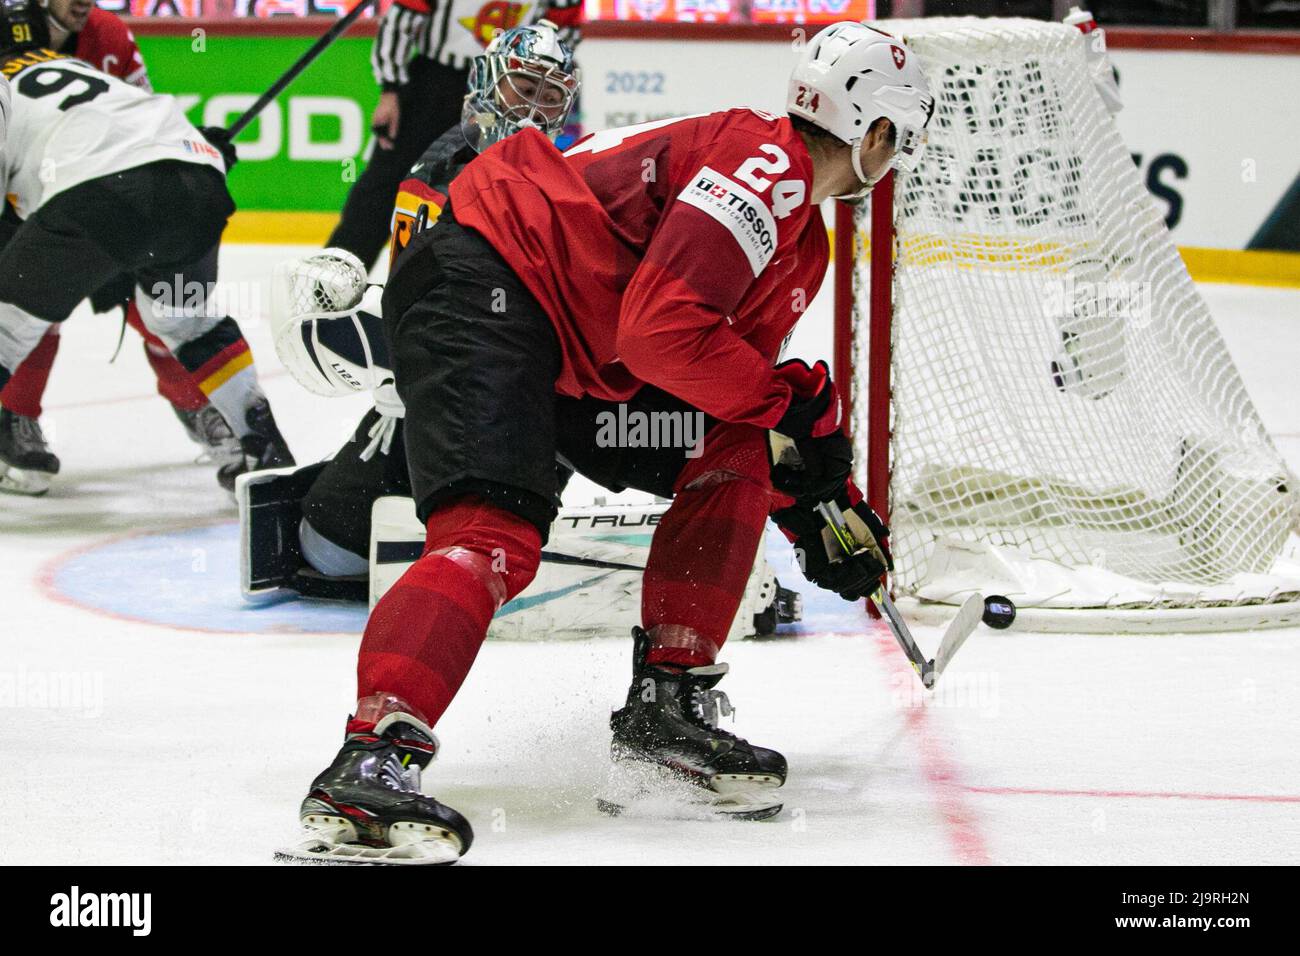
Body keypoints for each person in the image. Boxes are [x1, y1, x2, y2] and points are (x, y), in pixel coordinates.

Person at [288, 21, 935, 864]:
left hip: (574, 343)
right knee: (493, 534)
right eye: (901, 141)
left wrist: (817, 499)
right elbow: (665, 335)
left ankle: (668, 705)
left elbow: (725, 392)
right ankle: (372, 755)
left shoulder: (795, 230)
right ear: (875, 131)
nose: (898, 161)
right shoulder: (764, 166)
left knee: (736, 444)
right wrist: (785, 408)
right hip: (491, 282)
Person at [265, 20, 578, 594]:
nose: (533, 107)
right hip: (444, 377)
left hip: (526, 390)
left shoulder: (573, 175)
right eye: (522, 86)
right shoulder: (438, 162)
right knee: (328, 542)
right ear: (487, 82)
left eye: (550, 93)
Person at [0, 1, 293, 495]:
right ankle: (265, 448)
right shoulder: (71, 65)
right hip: (196, 182)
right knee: (185, 320)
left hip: (94, 196)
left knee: (9, 323)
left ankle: (13, 420)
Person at [325, 0, 582, 271]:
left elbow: (564, 27)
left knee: (497, 184)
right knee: (385, 182)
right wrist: (391, 89)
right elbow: (401, 21)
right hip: (436, 86)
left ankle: (475, 281)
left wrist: (538, 86)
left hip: (509, 88)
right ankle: (336, 277)